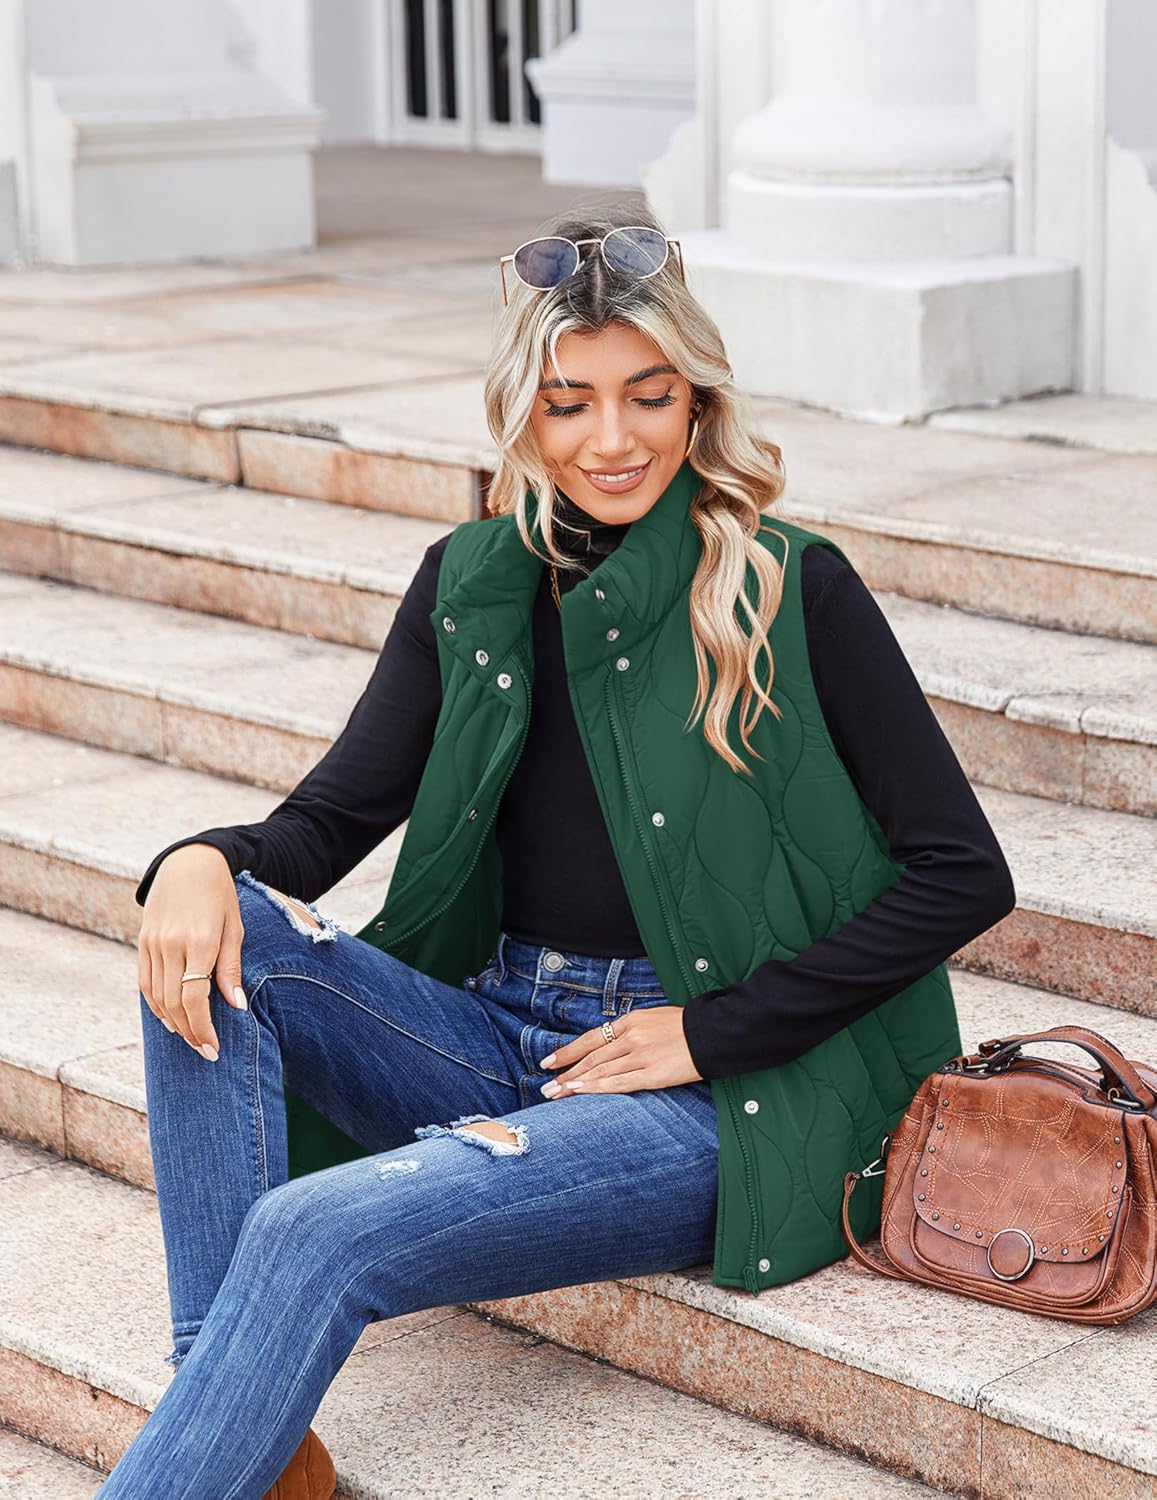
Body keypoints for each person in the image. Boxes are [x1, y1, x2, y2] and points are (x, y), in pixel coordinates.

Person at [98, 202, 1016, 1497]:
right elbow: (330, 819)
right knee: (214, 935)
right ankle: (255, 1443)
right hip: (496, 1030)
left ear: (697, 401)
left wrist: (714, 1032)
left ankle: (223, 1446)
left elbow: (964, 871)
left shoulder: (787, 587)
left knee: (312, 1229)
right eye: (568, 402)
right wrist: (198, 859)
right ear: (521, 413)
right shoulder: (471, 583)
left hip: (709, 1095)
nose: (612, 439)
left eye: (649, 396)